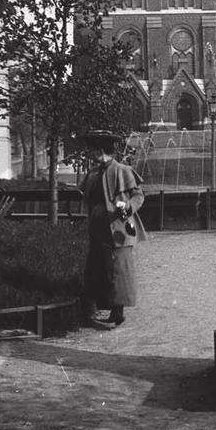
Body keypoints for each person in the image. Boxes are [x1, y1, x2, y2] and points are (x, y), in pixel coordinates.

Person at [80, 129, 145, 329]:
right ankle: (101, 307)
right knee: (100, 267)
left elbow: (138, 196)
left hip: (119, 226)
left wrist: (127, 208)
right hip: (98, 227)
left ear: (100, 149)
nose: (90, 153)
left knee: (118, 270)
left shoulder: (122, 170)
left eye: (92, 149)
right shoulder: (92, 173)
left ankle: (117, 313)